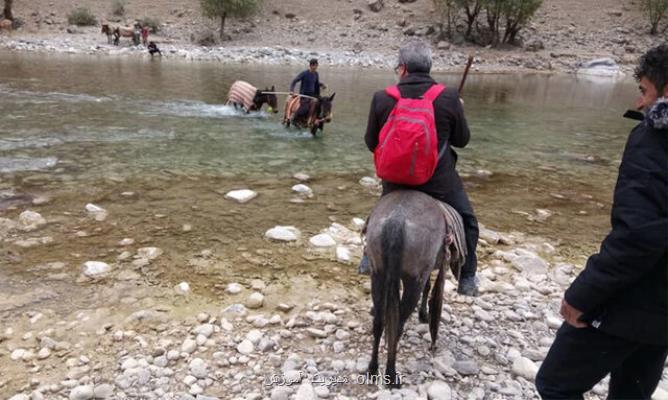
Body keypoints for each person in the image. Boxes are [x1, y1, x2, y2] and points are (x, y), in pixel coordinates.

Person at [535, 43, 668, 400]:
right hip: (662, 311)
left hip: (632, 299)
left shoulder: (655, 135)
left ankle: (466, 267)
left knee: (555, 384)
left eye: (644, 92)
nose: (640, 104)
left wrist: (583, 295)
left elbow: (639, 237)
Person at [360, 39, 479, 296]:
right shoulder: (447, 97)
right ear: (428, 67)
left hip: (395, 183)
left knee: (378, 213)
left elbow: (371, 142)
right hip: (440, 184)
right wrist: (457, 109)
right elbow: (462, 141)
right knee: (468, 220)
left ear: (402, 69)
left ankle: (368, 256)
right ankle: (467, 276)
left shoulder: (382, 98)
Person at [289, 58, 327, 123]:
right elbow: (294, 81)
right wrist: (292, 90)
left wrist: (322, 85)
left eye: (316, 66)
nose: (315, 67)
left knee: (324, 101)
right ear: (311, 66)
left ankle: (322, 117)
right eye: (314, 66)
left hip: (313, 94)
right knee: (305, 108)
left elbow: (316, 83)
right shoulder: (304, 73)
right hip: (304, 95)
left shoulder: (316, 74)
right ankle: (294, 119)